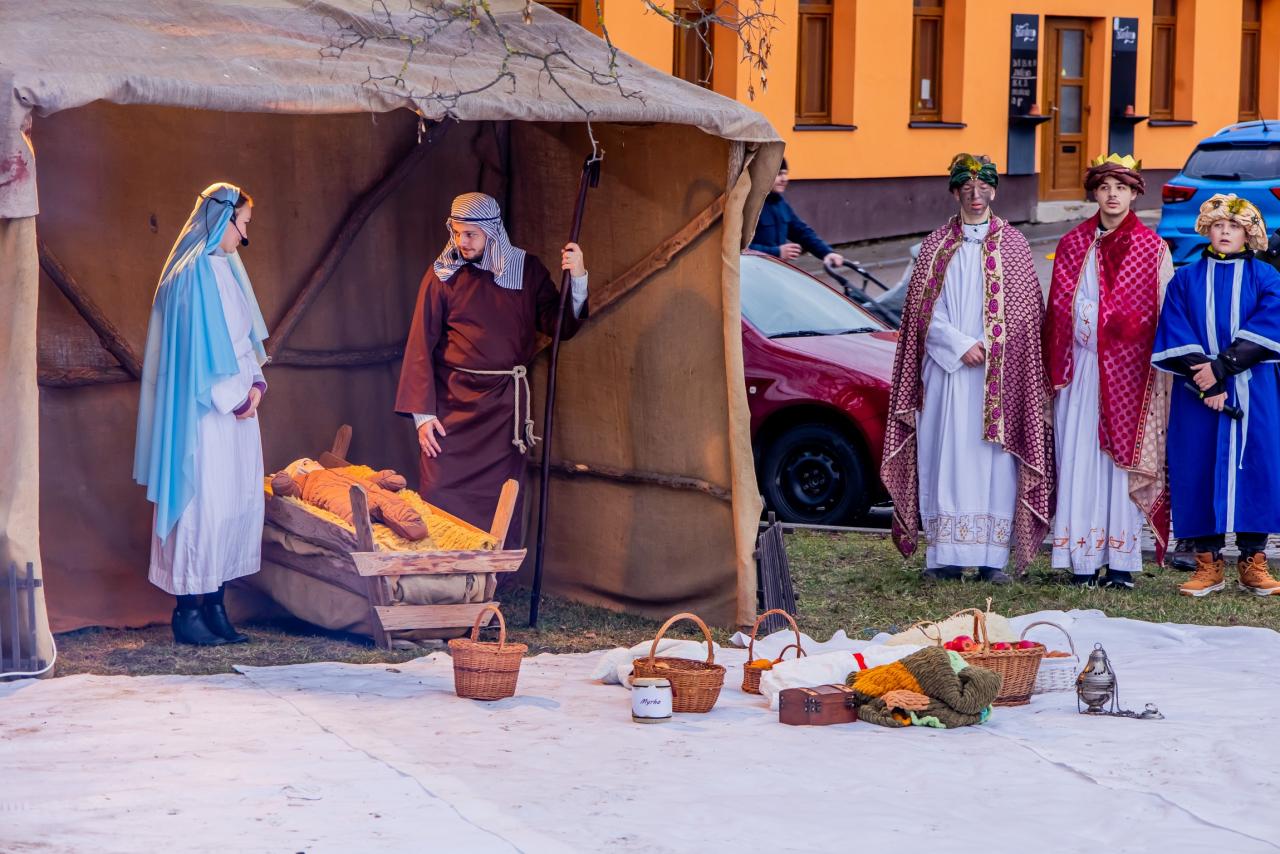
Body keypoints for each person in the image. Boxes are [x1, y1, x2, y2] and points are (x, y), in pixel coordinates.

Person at [882, 154, 1053, 584]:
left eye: (983, 188)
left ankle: (992, 558)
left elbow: (1027, 313)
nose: (976, 196)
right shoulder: (935, 245)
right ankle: (945, 556)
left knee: (995, 462)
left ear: (994, 191)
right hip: (948, 374)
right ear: (955, 192)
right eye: (967, 189)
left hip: (1000, 378)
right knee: (945, 455)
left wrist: (994, 346)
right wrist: (959, 346)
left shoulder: (1014, 245)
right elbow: (921, 313)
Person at [395, 193, 589, 541]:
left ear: (492, 231)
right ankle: (442, 572)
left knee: (500, 501)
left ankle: (493, 572)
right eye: (457, 232)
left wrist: (577, 277)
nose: (462, 242)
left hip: (502, 413)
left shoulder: (526, 271)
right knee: (439, 493)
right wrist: (422, 416)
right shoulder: (443, 274)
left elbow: (560, 325)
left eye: (471, 234)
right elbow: (420, 343)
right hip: (452, 409)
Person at [134, 183, 269, 645]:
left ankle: (215, 605)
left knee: (230, 505)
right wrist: (234, 399)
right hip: (203, 416)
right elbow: (193, 356)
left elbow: (244, 342)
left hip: (238, 413)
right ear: (224, 219)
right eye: (243, 224)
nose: (244, 236)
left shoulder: (228, 269)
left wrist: (255, 385)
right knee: (203, 507)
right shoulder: (188, 276)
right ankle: (187, 611)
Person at [1044, 155, 1174, 590]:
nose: (1113, 195)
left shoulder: (1152, 248)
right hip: (1081, 370)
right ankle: (1081, 562)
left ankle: (1120, 563)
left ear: (1135, 194)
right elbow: (1060, 307)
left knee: (1122, 466)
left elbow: (1160, 312)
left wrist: (1112, 324)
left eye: (1121, 187)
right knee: (1080, 457)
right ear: (1094, 194)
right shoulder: (1072, 244)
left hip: (1132, 376)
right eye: (1104, 187)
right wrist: (1098, 324)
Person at [1152, 193, 1280, 597]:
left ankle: (1253, 561)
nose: (1225, 232)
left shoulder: (1266, 277)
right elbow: (1175, 327)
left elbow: (1271, 322)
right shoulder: (1186, 279)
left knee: (1257, 465)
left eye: (1234, 226)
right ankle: (1207, 563)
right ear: (1207, 230)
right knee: (1197, 464)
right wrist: (1207, 381)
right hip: (1197, 392)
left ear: (1249, 234)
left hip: (1252, 389)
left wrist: (1222, 369)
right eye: (1218, 225)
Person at [749, 158, 845, 268]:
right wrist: (776, 252)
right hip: (751, 273)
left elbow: (801, 232)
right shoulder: (748, 206)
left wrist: (827, 252)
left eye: (785, 174)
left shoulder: (780, 203)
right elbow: (737, 247)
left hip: (774, 270)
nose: (784, 179)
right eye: (779, 174)